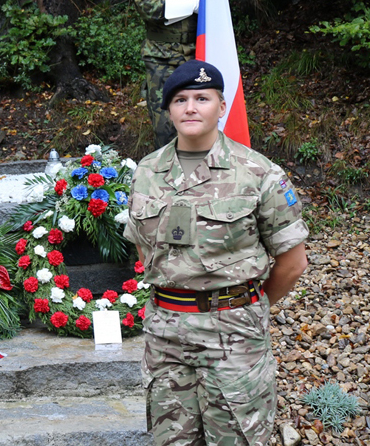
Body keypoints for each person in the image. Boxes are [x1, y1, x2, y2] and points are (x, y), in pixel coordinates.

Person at [124, 60, 309, 445]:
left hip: (234, 337)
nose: (190, 107)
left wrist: (245, 306)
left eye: (202, 98)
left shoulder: (258, 173)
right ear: (169, 110)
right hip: (166, 335)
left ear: (221, 107)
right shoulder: (146, 171)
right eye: (180, 100)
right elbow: (145, 249)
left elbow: (292, 264)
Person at [132, 0, 202, 149]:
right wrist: (192, 6)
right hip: (160, 58)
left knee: (198, 121)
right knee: (165, 125)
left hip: (196, 55)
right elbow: (148, 7)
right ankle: (168, 179)